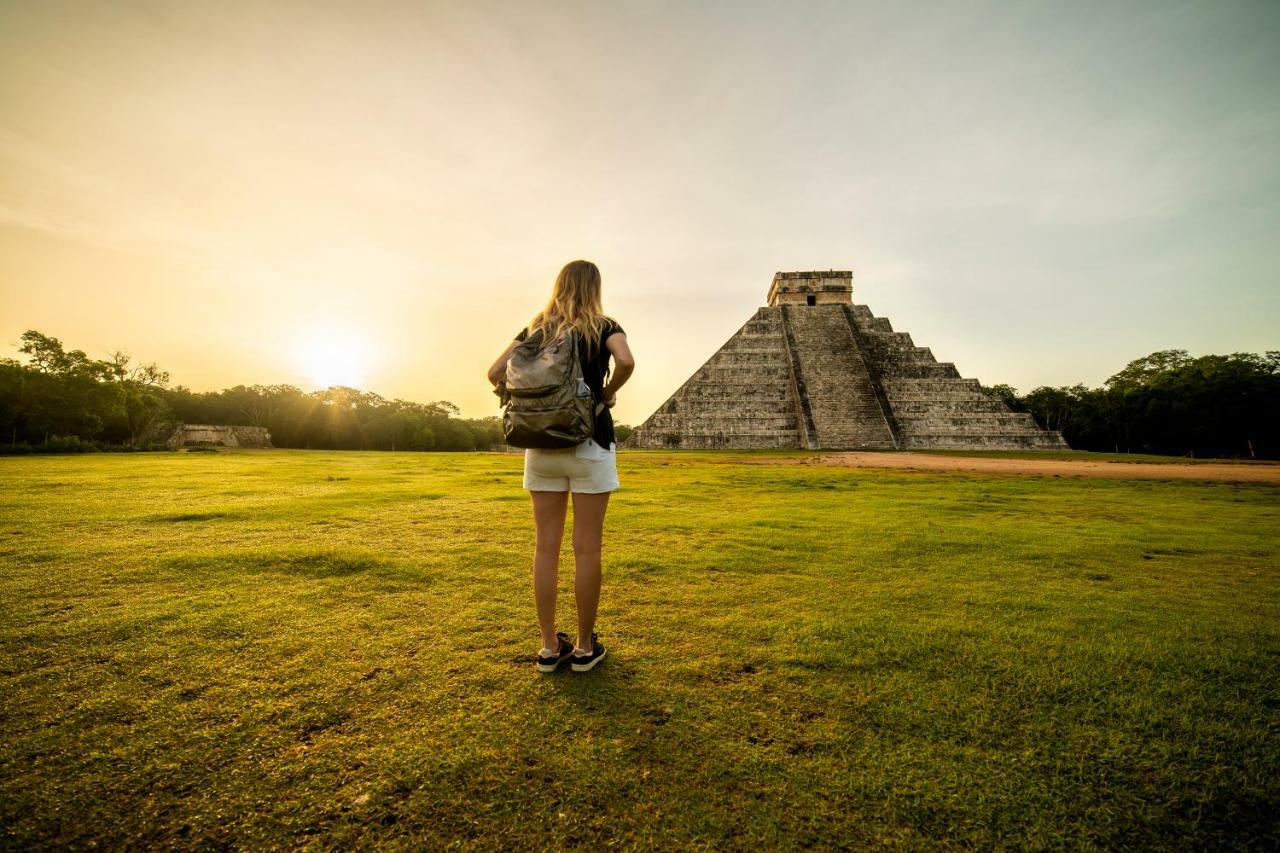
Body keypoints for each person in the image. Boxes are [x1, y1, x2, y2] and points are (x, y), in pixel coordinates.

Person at [486, 260, 635, 673]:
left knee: (545, 547)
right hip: (589, 442)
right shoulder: (603, 326)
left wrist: (521, 396)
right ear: (595, 287)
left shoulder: (538, 327)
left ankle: (550, 647)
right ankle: (586, 647)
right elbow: (625, 361)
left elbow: (495, 372)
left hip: (541, 445)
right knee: (587, 547)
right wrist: (605, 394)